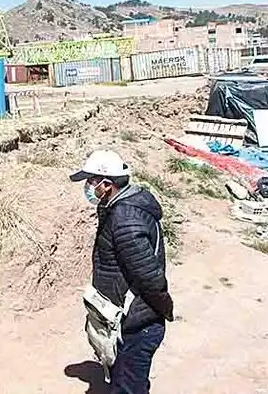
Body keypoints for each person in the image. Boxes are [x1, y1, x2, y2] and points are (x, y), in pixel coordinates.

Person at [70, 149, 174, 394]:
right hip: (125, 320)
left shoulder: (126, 219)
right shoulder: (114, 208)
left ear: (106, 185)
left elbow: (149, 277)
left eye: (91, 181)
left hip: (138, 324)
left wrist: (164, 310)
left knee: (128, 388)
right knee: (126, 383)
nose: (87, 186)